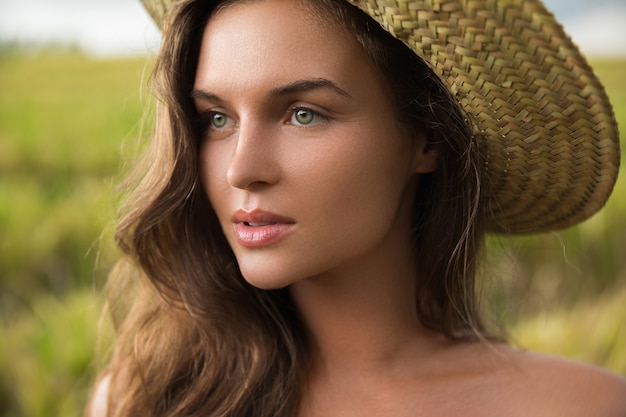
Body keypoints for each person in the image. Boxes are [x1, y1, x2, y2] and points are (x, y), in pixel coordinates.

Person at [88, 0, 626, 415]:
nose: (240, 169)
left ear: (426, 139)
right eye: (217, 118)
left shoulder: (583, 405)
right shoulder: (148, 398)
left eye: (302, 114)